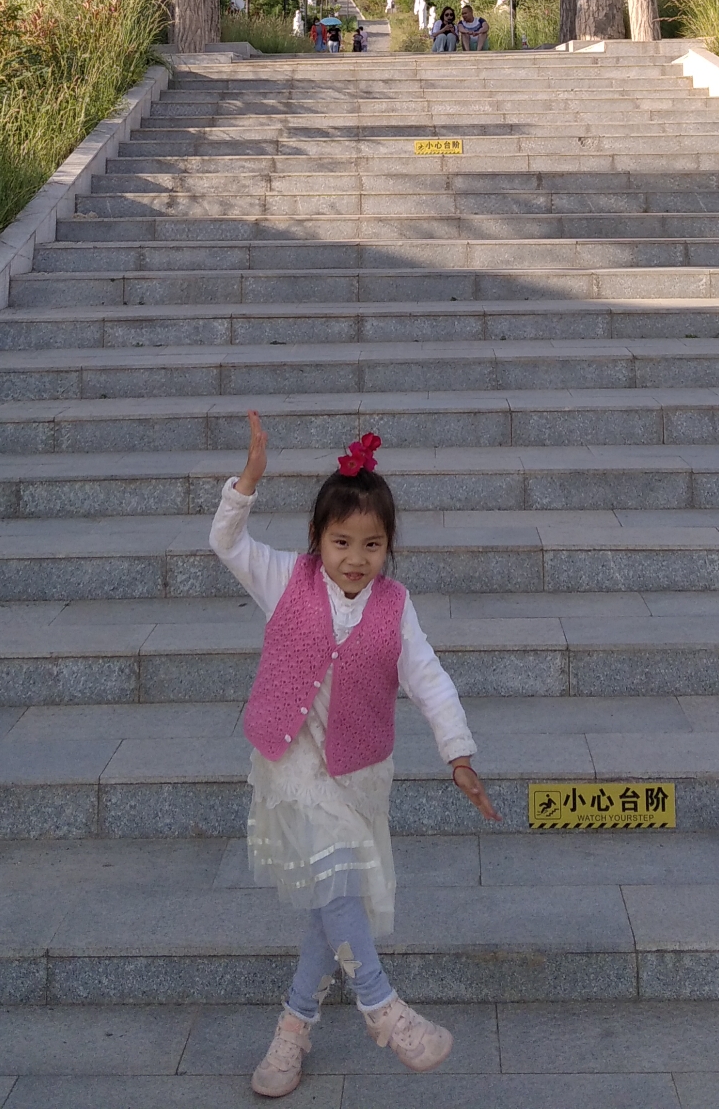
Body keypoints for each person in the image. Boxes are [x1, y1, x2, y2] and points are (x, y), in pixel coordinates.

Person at [212, 414, 498, 1096]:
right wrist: (246, 485)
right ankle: (382, 1006)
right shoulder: (285, 578)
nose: (355, 557)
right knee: (336, 882)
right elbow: (225, 540)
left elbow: (429, 679)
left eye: (371, 544)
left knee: (330, 899)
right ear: (316, 540)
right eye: (341, 541)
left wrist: (458, 754)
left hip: (359, 772)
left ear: (388, 547)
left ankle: (292, 1028)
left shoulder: (395, 608)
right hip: (292, 765)